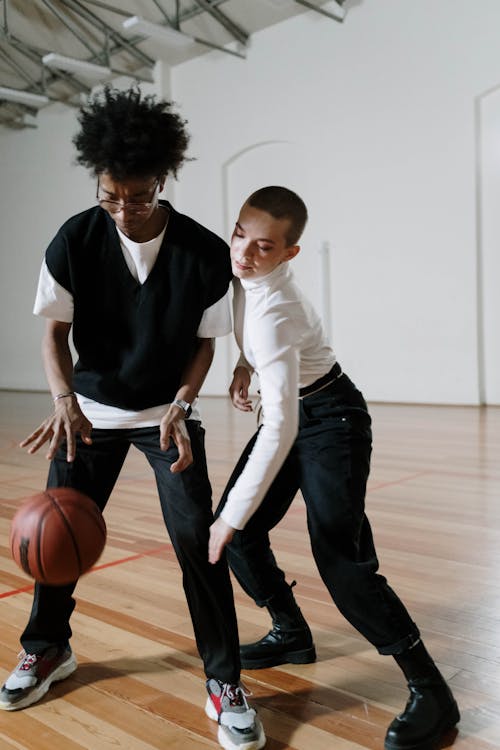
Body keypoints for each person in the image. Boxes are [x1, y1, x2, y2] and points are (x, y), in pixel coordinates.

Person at [0, 87, 266, 750]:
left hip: (165, 416)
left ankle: (224, 680)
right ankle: (46, 649)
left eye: (139, 196)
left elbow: (207, 344)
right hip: (87, 414)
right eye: (110, 194)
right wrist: (63, 401)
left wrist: (180, 406)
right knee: (53, 545)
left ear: (163, 180)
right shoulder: (74, 238)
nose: (124, 208)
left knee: (200, 545)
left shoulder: (203, 252)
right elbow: (53, 334)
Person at [208, 186, 460, 750]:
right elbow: (250, 320)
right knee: (243, 537)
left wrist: (227, 518)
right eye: (239, 234)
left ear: (289, 254)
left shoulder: (278, 309)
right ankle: (291, 633)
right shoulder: (242, 276)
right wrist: (246, 364)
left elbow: (280, 429)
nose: (245, 253)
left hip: (331, 420)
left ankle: (432, 692)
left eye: (264, 246)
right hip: (297, 407)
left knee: (338, 558)